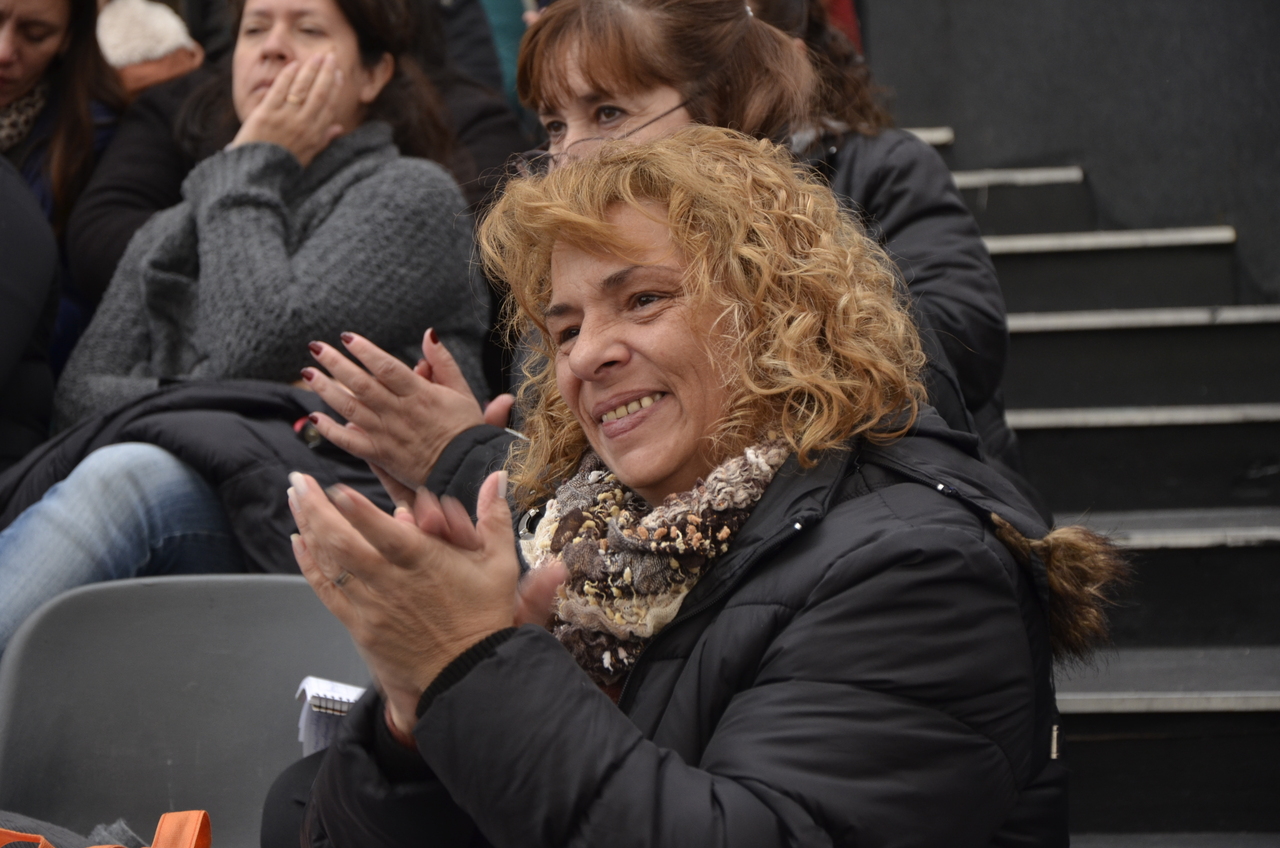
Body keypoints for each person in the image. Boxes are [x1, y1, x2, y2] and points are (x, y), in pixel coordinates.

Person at [285, 126, 1125, 847]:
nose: (587, 355)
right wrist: (410, 727)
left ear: (777, 309)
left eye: (643, 300)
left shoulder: (920, 567)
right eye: (565, 328)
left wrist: (473, 674)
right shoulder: (573, 542)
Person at [299, 0, 1034, 524]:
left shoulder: (873, 178)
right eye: (553, 124)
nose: (570, 154)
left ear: (719, 105)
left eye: (607, 114)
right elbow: (585, 509)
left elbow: (953, 348)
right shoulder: (570, 269)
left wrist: (772, 269)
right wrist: (486, 459)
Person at [0, 0, 487, 652]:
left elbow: (257, 338)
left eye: (307, 29)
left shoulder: (412, 196)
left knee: (130, 474)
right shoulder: (179, 219)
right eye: (255, 29)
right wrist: (232, 391)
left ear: (373, 74)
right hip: (219, 488)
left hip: (344, 521)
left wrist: (253, 161)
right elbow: (79, 398)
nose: (272, 47)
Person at [1, 0, 125, 370]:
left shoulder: (93, 139)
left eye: (35, 35)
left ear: (68, 39)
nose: (4, 51)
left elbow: (74, 307)